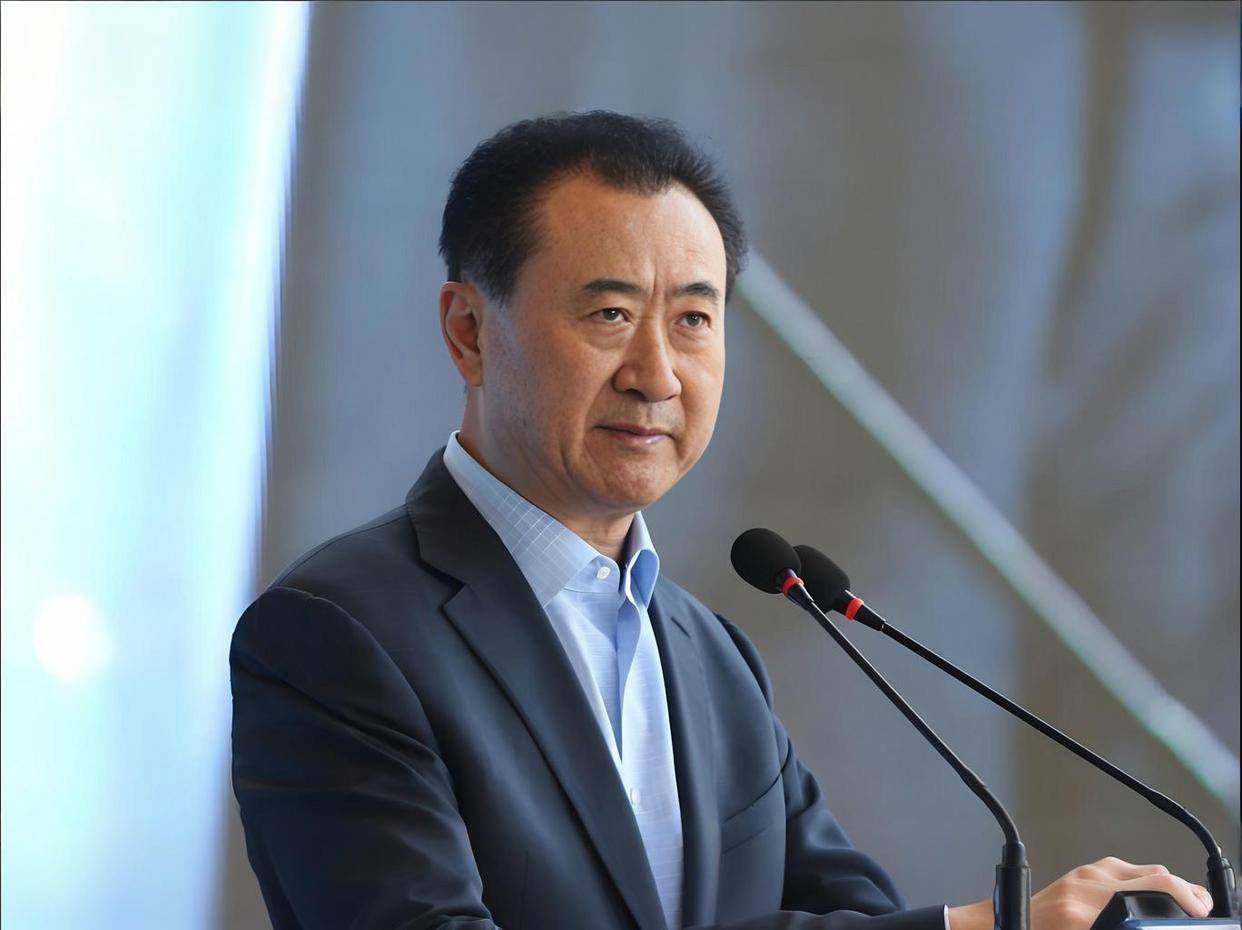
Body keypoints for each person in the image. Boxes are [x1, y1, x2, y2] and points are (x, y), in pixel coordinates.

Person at [230, 111, 1215, 930]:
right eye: (610, 314)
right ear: (468, 330)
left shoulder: (710, 655)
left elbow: (852, 914)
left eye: (694, 319)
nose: (657, 374)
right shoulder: (338, 632)